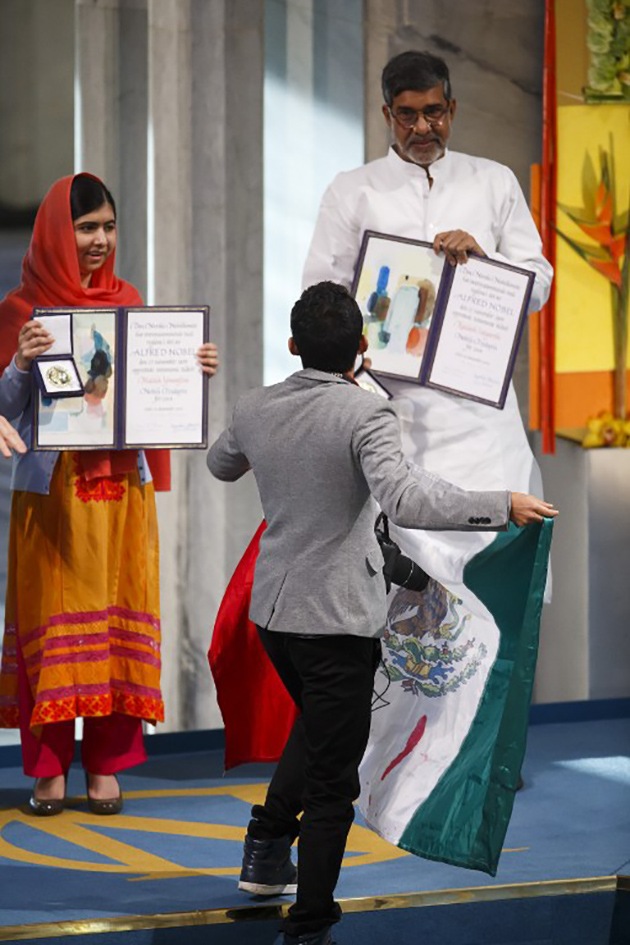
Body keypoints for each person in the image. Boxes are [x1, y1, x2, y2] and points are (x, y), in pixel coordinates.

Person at [207, 281, 557, 945]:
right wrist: (498, 502)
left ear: (291, 345)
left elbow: (221, 462)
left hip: (276, 613)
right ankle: (309, 925)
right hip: (338, 617)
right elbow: (405, 497)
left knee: (320, 725)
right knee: (336, 778)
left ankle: (267, 845)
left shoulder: (256, 405)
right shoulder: (366, 415)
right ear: (362, 349)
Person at [0, 172, 219, 816]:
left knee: (115, 624)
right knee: (52, 626)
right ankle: (47, 769)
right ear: (55, 234)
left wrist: (191, 371)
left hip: (123, 491)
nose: (99, 240)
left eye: (108, 226)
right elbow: (6, 407)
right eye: (86, 227)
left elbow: (146, 395)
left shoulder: (131, 302)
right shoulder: (20, 311)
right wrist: (17, 363)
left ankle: (105, 766)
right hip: (53, 496)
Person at [303, 49, 552, 520]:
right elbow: (320, 292)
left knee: (484, 563)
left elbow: (538, 285)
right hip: (386, 408)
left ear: (452, 109)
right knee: (400, 564)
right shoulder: (353, 189)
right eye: (407, 115)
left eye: (433, 112)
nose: (421, 128)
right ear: (386, 115)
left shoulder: (493, 181)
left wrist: (485, 261)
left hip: (480, 415)